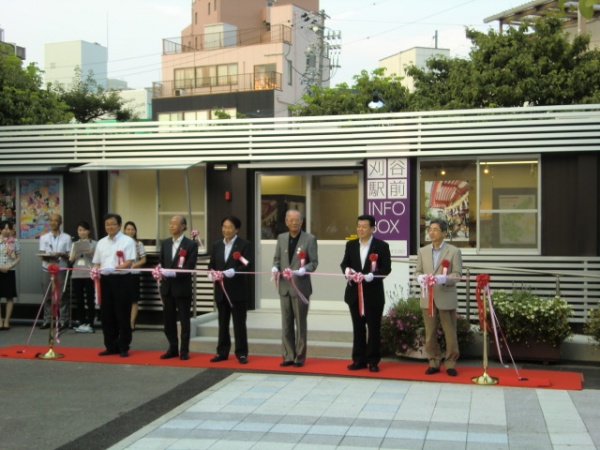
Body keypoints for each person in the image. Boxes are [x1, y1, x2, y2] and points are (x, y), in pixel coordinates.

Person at [340, 214, 391, 373]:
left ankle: (373, 361)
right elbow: (344, 263)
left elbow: (386, 268)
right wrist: (347, 271)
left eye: (364, 226)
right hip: (354, 294)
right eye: (358, 226)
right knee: (358, 328)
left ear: (372, 229)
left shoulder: (381, 246)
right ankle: (358, 359)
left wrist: (372, 276)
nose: (360, 229)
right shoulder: (351, 245)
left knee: (374, 329)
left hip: (373, 294)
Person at [415, 218, 463, 377]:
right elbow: (417, 271)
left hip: (445, 296)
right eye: (430, 230)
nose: (431, 233)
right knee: (430, 332)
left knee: (450, 333)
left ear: (444, 232)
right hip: (427, 297)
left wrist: (444, 279)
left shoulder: (453, 251)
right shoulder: (422, 251)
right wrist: (420, 277)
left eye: (435, 230)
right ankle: (434, 361)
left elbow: (457, 274)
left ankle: (450, 363)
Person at [272, 209, 318, 368]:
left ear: (302, 221)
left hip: (300, 287)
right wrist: (274, 267)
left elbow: (314, 263)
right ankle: (287, 355)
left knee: (300, 323)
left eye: (297, 219)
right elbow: (277, 259)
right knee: (286, 323)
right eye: (291, 219)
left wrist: (304, 269)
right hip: (284, 287)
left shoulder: (310, 239)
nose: (294, 222)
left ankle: (299, 356)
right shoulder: (281, 238)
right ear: (286, 222)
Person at [208, 216, 252, 364]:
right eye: (224, 227)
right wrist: (211, 274)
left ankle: (242, 353)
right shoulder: (216, 245)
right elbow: (212, 264)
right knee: (222, 324)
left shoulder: (244, 244)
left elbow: (247, 265)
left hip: (237, 291)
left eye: (230, 227)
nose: (226, 230)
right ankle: (222, 352)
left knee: (239, 324)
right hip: (221, 290)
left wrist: (234, 271)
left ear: (237, 229)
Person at [92, 213, 136, 357]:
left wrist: (116, 268)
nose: (110, 227)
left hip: (122, 280)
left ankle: (123, 346)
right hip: (105, 281)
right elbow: (97, 262)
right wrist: (95, 270)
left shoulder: (127, 241)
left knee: (122, 314)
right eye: (107, 224)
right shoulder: (101, 242)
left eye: (113, 224)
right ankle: (110, 346)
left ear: (119, 225)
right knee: (107, 314)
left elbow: (129, 262)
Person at [158, 215, 198, 361]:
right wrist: (159, 270)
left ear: (183, 226)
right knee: (168, 320)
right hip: (167, 287)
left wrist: (173, 272)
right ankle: (172, 348)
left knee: (184, 320)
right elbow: (161, 262)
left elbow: (190, 266)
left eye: (175, 223)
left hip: (182, 287)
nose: (171, 225)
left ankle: (184, 350)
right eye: (170, 223)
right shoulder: (165, 243)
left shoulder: (190, 244)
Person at [38, 213, 72, 330]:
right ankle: (47, 320)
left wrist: (61, 254)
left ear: (60, 222)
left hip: (61, 269)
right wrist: (48, 257)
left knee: (62, 295)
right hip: (47, 269)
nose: (53, 223)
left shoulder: (67, 237)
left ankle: (63, 320)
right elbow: (42, 254)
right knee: (47, 295)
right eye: (51, 220)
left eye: (56, 220)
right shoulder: (44, 237)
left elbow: (70, 256)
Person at [69, 221, 97, 333]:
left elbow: (98, 259)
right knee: (79, 299)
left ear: (88, 231)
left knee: (90, 299)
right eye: (80, 230)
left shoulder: (94, 243)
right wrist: (75, 254)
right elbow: (71, 260)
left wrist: (90, 252)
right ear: (77, 232)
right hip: (77, 274)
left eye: (84, 230)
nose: (82, 232)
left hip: (89, 273)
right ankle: (82, 322)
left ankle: (90, 323)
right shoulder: (74, 244)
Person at [123, 221, 147, 331]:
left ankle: (132, 322)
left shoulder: (138, 244)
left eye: (132, 229)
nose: (130, 231)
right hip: (122, 274)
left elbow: (143, 259)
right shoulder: (120, 243)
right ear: (124, 231)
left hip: (134, 274)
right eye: (128, 229)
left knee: (134, 299)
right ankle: (123, 321)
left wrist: (132, 265)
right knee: (123, 299)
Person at [0, 220, 20, 330]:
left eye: (9, 229)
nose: (7, 231)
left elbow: (18, 257)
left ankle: (7, 321)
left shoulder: (15, 241)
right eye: (5, 228)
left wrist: (10, 266)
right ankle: (0, 321)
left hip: (10, 271)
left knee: (9, 297)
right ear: (0, 230)